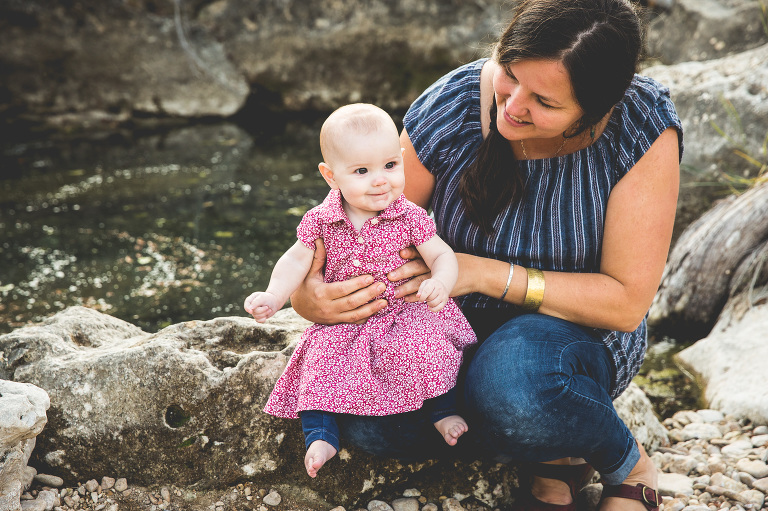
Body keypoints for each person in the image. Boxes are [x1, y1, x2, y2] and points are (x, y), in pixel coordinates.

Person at [289, 0, 683, 509]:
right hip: (439, 327)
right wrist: (310, 298)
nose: (513, 105)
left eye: (543, 100)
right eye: (509, 74)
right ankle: (550, 443)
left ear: (599, 106)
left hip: (574, 330)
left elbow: (625, 303)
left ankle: (626, 463)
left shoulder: (639, 126)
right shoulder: (452, 106)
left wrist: (481, 274)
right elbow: (351, 226)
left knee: (515, 384)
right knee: (362, 422)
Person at [244, 103, 477, 478]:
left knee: (425, 345)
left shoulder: (409, 215)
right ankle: (321, 434)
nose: (380, 180)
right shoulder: (321, 219)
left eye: (389, 166)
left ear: (401, 159)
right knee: (318, 363)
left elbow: (442, 254)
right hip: (345, 320)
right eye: (362, 171)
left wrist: (441, 282)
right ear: (330, 176)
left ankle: (441, 409)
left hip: (403, 310)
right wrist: (273, 295)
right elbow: (295, 260)